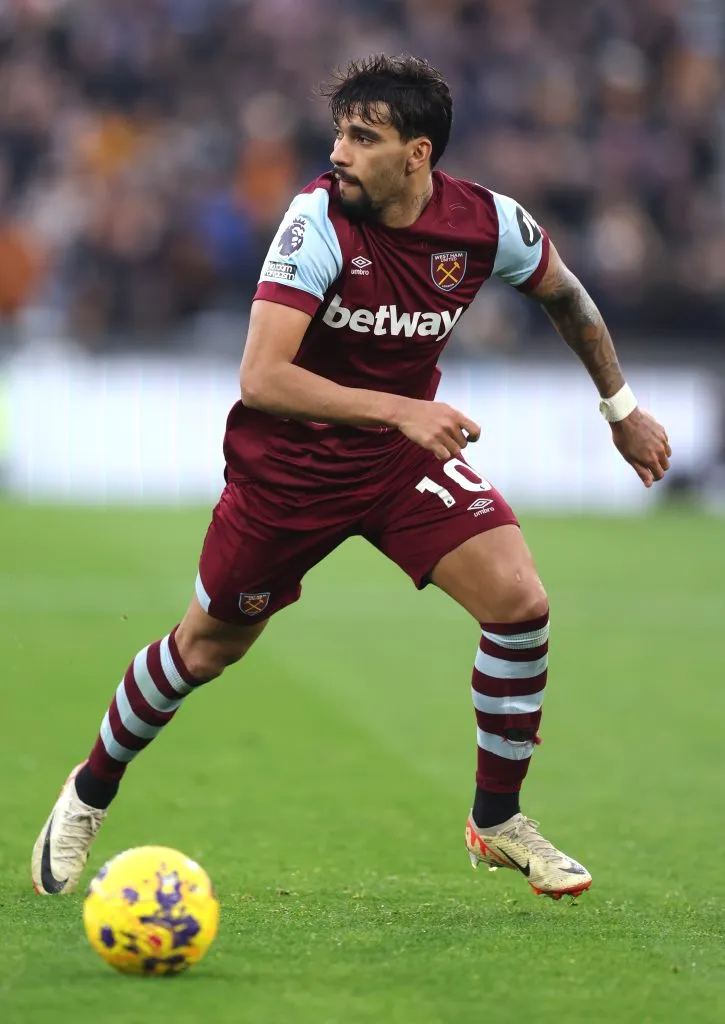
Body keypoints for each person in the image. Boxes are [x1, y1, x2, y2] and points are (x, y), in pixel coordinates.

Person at [32, 55, 671, 901]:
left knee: (519, 603)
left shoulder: (488, 225)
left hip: (396, 464)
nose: (338, 151)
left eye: (362, 137)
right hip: (288, 473)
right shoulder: (317, 223)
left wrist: (619, 408)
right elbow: (262, 377)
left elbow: (567, 296)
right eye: (338, 133)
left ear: (417, 154)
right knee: (204, 649)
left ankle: (497, 818)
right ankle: (89, 790)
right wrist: (401, 409)